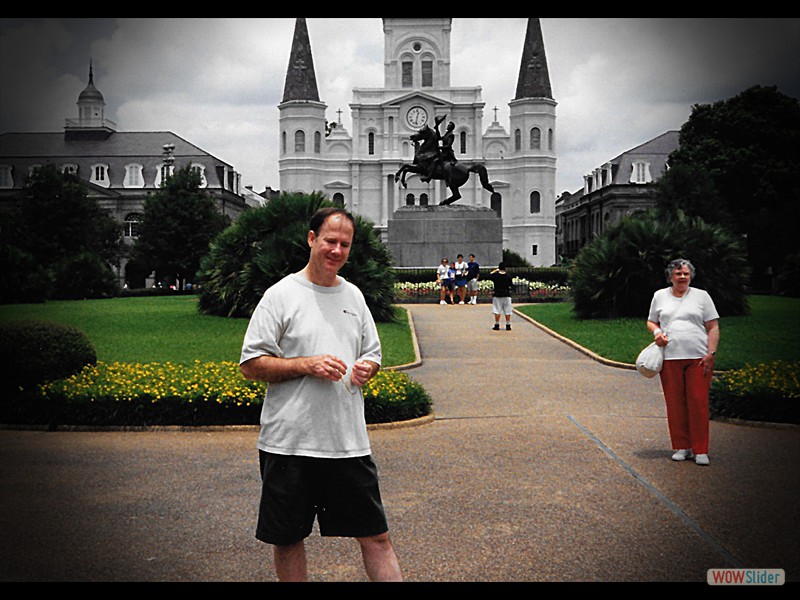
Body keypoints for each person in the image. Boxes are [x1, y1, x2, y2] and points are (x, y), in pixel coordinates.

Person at [239, 207, 403, 581]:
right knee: (289, 538)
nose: (337, 250)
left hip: (347, 442)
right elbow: (251, 364)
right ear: (312, 239)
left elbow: (372, 352)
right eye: (330, 240)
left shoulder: (354, 296)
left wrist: (368, 368)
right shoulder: (281, 295)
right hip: (289, 444)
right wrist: (306, 365)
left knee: (377, 537)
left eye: (345, 244)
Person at [647, 258, 719, 467]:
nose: (682, 277)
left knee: (698, 401)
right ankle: (681, 446)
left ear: (691, 276)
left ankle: (700, 449)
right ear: (671, 276)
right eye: (678, 274)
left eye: (686, 274)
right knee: (675, 403)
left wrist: (711, 353)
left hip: (698, 356)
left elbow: (713, 326)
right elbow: (651, 321)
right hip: (670, 357)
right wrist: (658, 332)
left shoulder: (702, 297)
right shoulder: (659, 296)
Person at [487, 262, 514, 330]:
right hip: (506, 295)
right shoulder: (508, 276)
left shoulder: (495, 275)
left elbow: (488, 275)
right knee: (507, 310)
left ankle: (497, 324)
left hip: (497, 295)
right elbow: (511, 285)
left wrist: (495, 271)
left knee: (497, 310)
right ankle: (508, 324)